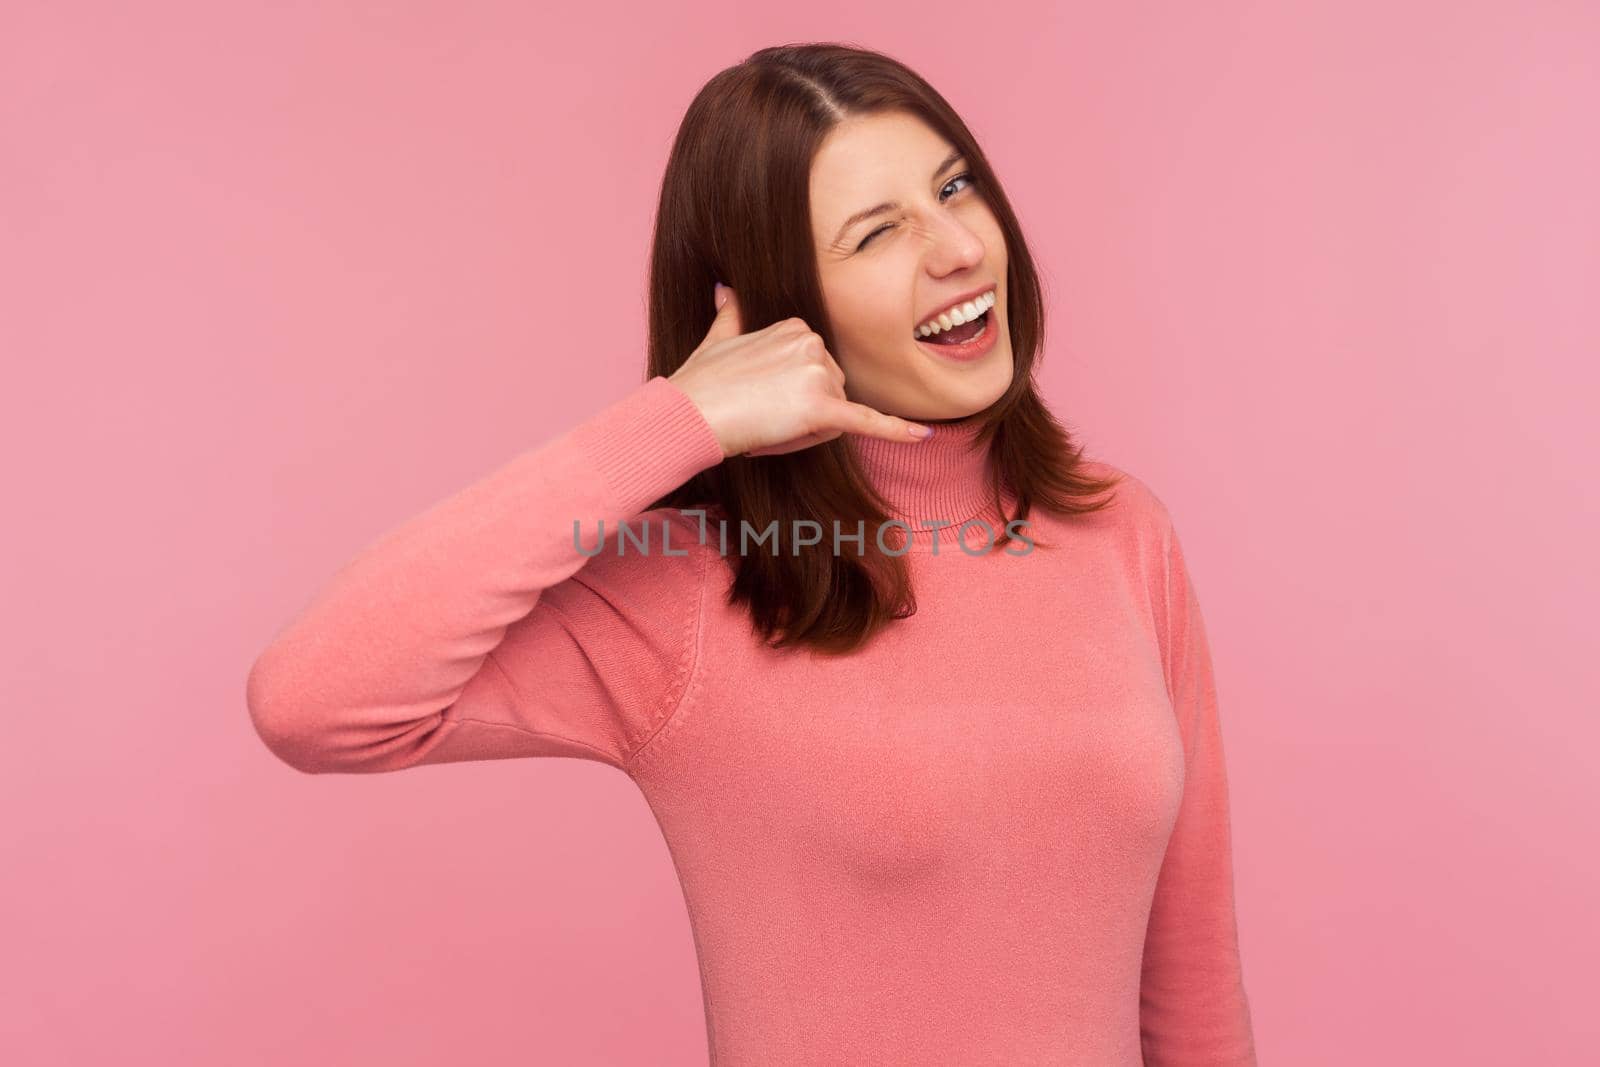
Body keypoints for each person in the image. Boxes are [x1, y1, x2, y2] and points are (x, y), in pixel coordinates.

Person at [246, 42, 1258, 1067]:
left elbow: (1191, 973)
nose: (956, 246)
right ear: (781, 313)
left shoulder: (1122, 532)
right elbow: (313, 698)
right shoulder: (689, 586)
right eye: (876, 235)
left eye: (955, 186)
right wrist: (676, 420)